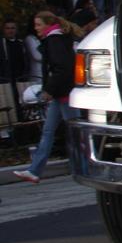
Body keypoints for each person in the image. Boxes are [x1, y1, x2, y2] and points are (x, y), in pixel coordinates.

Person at [13, 11, 80, 184]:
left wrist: (49, 89)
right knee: (52, 132)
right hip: (62, 93)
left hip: (64, 93)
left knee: (71, 133)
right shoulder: (59, 38)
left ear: (48, 24)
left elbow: (61, 68)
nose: (36, 29)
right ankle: (35, 170)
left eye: (39, 25)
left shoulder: (54, 40)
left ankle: (82, 167)